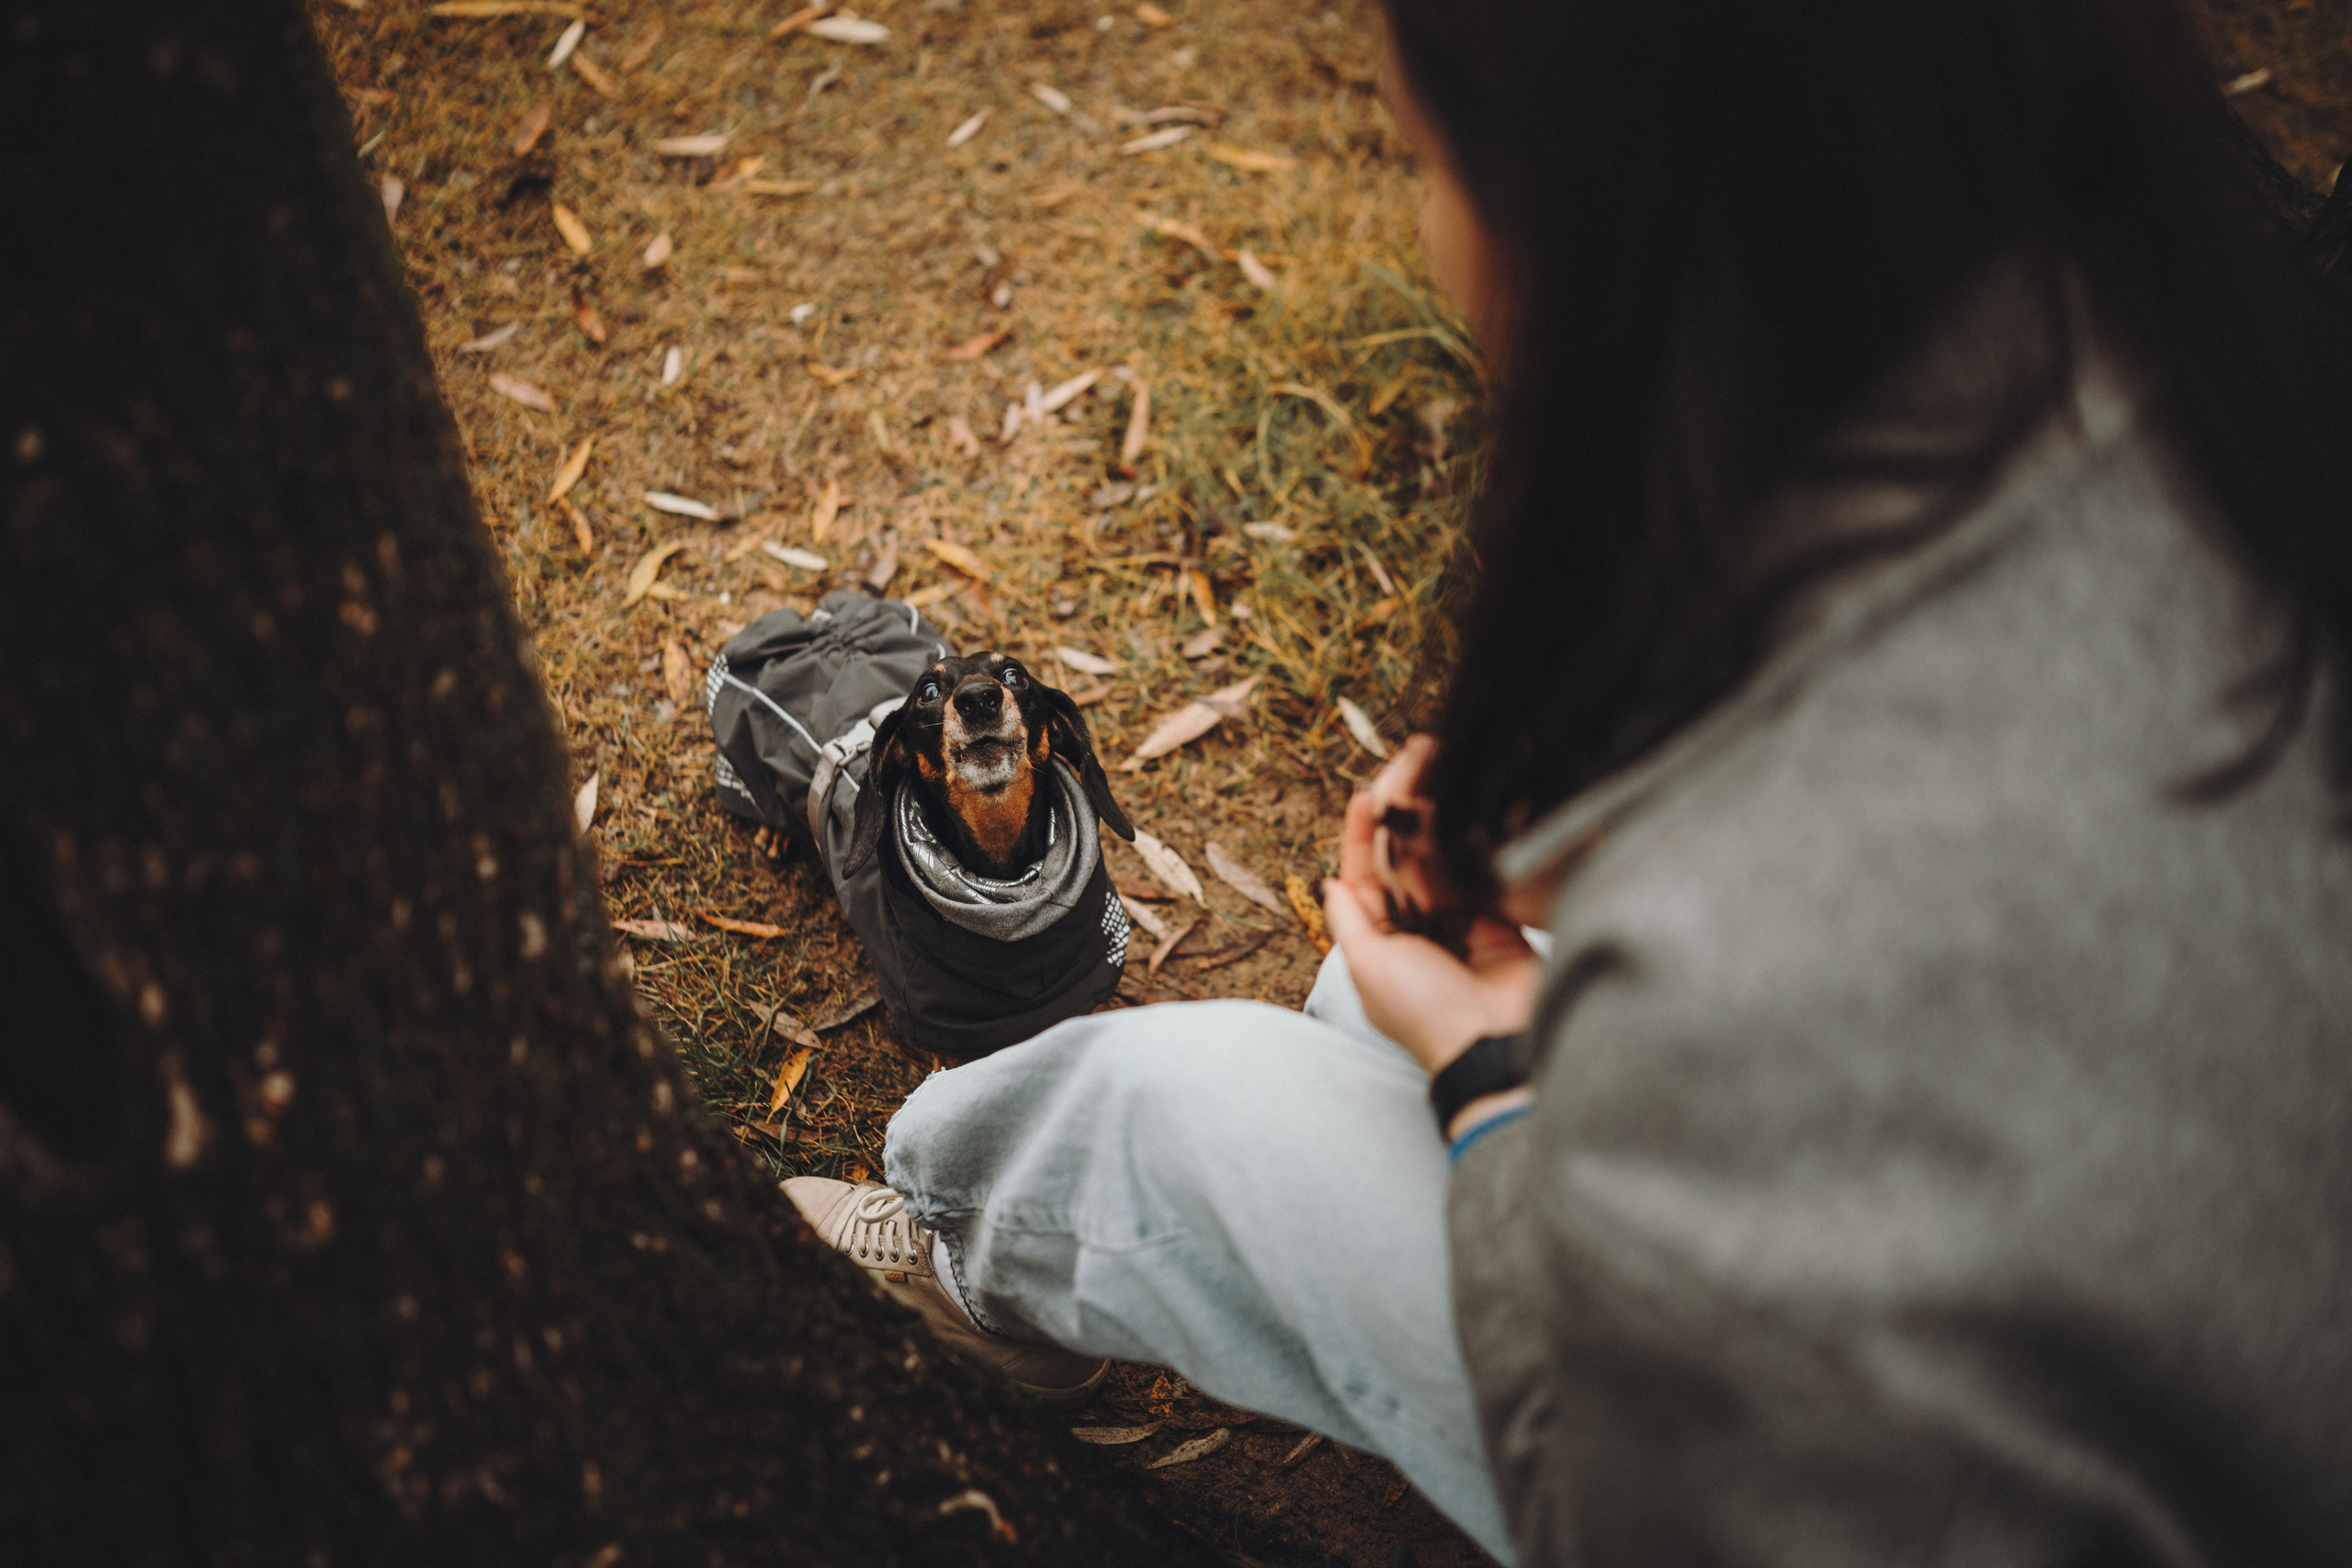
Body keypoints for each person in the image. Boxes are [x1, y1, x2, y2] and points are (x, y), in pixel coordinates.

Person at [785, 0, 2352, 1561]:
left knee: (1151, 1108)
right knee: (1348, 1001)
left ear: (1586, 203)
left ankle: (967, 1267)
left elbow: (1671, 1504)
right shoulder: (2184, 401)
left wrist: (1496, 1081)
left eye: (1424, 157)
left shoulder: (1743, 901)